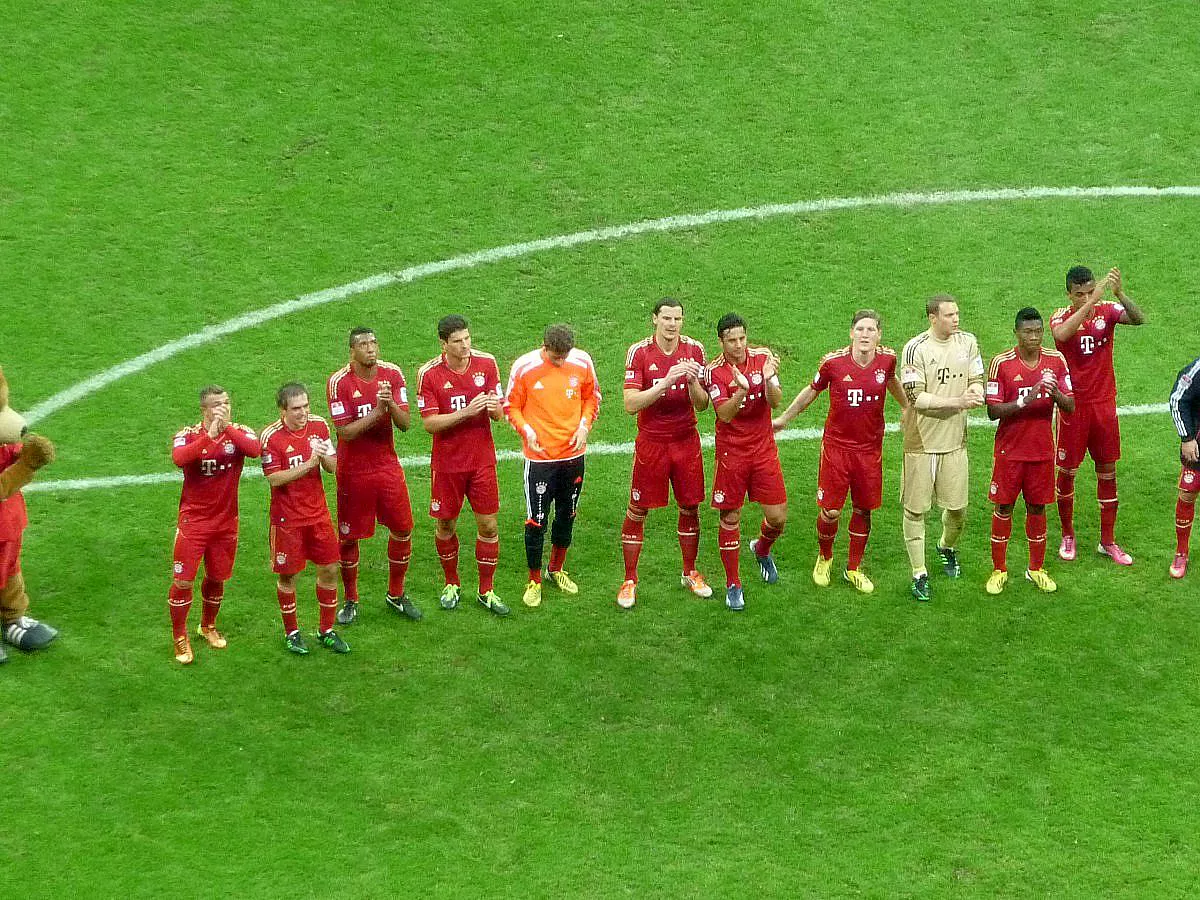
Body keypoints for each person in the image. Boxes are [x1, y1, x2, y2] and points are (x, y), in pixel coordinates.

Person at [773, 310, 906, 594]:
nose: (865, 335)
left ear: (879, 335)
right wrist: (784, 418)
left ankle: (854, 568)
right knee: (831, 511)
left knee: (863, 508)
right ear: (851, 333)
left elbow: (892, 380)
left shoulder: (887, 360)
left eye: (871, 330)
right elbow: (811, 391)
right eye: (860, 329)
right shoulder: (833, 363)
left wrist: (906, 406)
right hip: (837, 449)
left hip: (870, 450)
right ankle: (825, 557)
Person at [618, 298, 712, 609]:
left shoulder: (695, 350)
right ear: (654, 320)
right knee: (638, 508)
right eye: (667, 318)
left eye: (677, 319)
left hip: (686, 440)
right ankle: (630, 579)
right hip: (652, 442)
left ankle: (690, 572)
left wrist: (692, 383)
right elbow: (631, 404)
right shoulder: (639, 352)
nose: (672, 324)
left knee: (689, 506)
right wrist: (667, 381)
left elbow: (702, 404)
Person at [1050, 266, 1146, 565]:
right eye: (1079, 294)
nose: (1086, 298)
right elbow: (1061, 334)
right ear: (1069, 295)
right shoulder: (1060, 317)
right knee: (1067, 473)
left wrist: (1119, 294)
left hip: (1104, 406)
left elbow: (1138, 318)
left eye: (1090, 291)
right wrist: (1092, 303)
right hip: (1072, 408)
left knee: (1108, 472)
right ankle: (1068, 534)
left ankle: (1108, 541)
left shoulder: (1108, 310)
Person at [327, 327, 422, 624]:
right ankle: (351, 600)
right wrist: (377, 411)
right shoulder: (339, 382)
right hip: (353, 472)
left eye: (373, 343)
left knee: (403, 528)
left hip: (386, 467)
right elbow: (345, 433)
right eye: (363, 344)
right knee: (348, 538)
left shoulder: (392, 375)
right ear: (351, 351)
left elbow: (405, 424)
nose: (370, 348)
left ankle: (396, 594)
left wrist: (390, 403)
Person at [416, 315, 508, 615]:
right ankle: (452, 582)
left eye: (467, 338)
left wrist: (496, 409)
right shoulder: (428, 374)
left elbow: (499, 414)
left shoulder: (487, 363)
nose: (466, 345)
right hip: (447, 464)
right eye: (458, 341)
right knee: (445, 524)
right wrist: (467, 412)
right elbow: (429, 423)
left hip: (482, 461)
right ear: (444, 344)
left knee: (489, 525)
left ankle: (486, 589)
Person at [504, 324, 601, 608]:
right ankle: (534, 580)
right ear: (543, 346)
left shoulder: (582, 361)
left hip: (573, 456)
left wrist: (584, 426)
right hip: (540, 460)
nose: (561, 362)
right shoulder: (524, 367)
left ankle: (556, 569)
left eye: (564, 356)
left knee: (567, 515)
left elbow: (591, 397)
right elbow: (510, 406)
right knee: (537, 520)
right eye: (556, 357)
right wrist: (528, 433)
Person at [899, 294, 986, 601]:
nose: (956, 319)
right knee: (916, 510)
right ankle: (919, 572)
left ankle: (946, 546)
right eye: (949, 315)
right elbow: (916, 399)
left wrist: (974, 393)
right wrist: (958, 402)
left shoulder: (968, 342)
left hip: (955, 440)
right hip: (921, 442)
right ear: (932, 318)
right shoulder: (915, 349)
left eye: (957, 314)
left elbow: (977, 378)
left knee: (958, 509)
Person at [167, 385, 261, 665]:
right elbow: (179, 459)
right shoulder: (187, 436)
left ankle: (207, 625)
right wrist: (208, 436)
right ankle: (179, 636)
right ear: (204, 410)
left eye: (227, 402)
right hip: (194, 523)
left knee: (217, 577)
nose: (223, 407)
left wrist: (225, 428)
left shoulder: (240, 432)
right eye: (217, 404)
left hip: (226, 523)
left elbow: (254, 450)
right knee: (183, 580)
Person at [984, 308, 1074, 595]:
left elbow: (1070, 405)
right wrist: (1029, 397)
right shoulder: (1002, 363)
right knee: (1004, 507)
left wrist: (1054, 392)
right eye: (1028, 332)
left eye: (1038, 332)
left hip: (1041, 452)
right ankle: (999, 570)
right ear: (1017, 333)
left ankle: (1036, 568)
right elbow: (992, 410)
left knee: (1037, 508)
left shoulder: (1056, 361)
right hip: (1010, 452)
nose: (1034, 337)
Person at [703, 313, 786, 611]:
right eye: (732, 340)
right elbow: (724, 415)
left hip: (763, 449)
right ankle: (733, 583)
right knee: (730, 517)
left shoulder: (763, 358)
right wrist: (741, 390)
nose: (738, 345)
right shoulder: (713, 371)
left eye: (742, 338)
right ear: (721, 342)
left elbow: (776, 401)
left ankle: (761, 549)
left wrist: (767, 378)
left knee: (777, 517)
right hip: (732, 454)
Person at [261, 383, 347, 654]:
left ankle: (327, 630)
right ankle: (292, 632)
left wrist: (324, 458)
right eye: (296, 409)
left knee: (330, 569)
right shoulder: (271, 438)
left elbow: (333, 468)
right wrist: (308, 464)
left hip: (318, 514)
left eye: (306, 407)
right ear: (283, 411)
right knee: (288, 575)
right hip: (287, 519)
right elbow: (274, 478)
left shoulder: (319, 427)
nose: (303, 413)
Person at [1168, 355, 1200, 579]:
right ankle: (1181, 552)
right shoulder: (1198, 369)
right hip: (1198, 446)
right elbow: (1178, 399)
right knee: (1187, 494)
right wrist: (1187, 438)